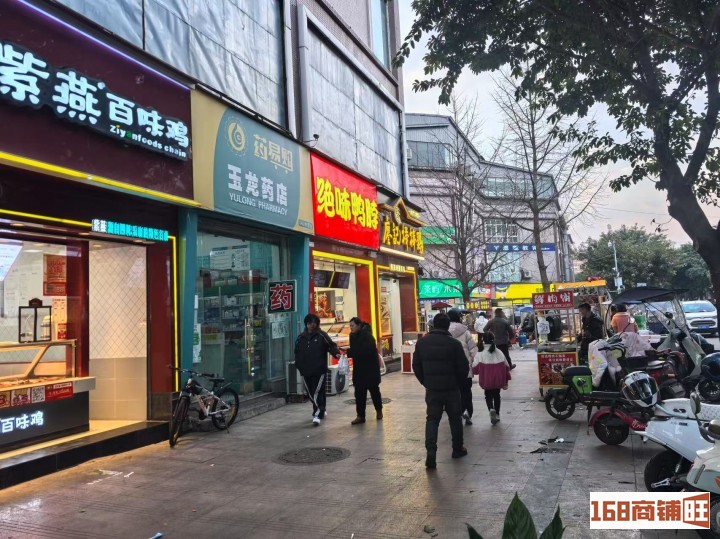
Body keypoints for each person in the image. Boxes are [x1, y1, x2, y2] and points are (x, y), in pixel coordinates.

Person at [412, 312, 469, 469]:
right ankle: (457, 449)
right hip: (451, 389)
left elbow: (416, 365)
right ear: (447, 326)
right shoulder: (454, 344)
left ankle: (431, 451)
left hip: (432, 389)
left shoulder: (422, 343)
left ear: (433, 325)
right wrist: (457, 382)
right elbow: (463, 367)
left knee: (432, 419)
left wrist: (425, 381)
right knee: (455, 419)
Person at [294, 313, 340, 426]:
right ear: (306, 324)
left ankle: (317, 413)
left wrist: (336, 354)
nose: (312, 325)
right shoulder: (300, 337)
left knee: (317, 391)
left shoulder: (322, 335)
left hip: (319, 369)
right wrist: (299, 365)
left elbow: (331, 345)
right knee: (311, 392)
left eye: (314, 322)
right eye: (310, 322)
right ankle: (322, 409)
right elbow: (297, 352)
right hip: (305, 370)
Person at [347, 317, 383, 425]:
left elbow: (367, 351)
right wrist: (351, 352)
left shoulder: (367, 335)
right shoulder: (352, 336)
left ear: (359, 325)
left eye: (353, 326)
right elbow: (356, 350)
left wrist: (351, 352)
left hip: (370, 369)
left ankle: (379, 411)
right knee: (359, 394)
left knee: (374, 391)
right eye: (350, 326)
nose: (351, 328)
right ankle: (360, 415)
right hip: (359, 369)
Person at [472, 332, 511, 425]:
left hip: (486, 380)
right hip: (498, 380)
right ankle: (497, 414)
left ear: (483, 340)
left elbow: (474, 368)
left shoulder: (480, 353)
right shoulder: (499, 352)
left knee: (488, 396)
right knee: (497, 395)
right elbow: (507, 366)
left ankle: (491, 409)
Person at [448, 309, 478, 426]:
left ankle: (457, 413)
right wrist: (471, 362)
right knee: (466, 392)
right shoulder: (466, 332)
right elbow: (473, 350)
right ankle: (468, 413)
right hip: (465, 368)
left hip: (450, 369)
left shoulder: (444, 331)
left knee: (452, 393)